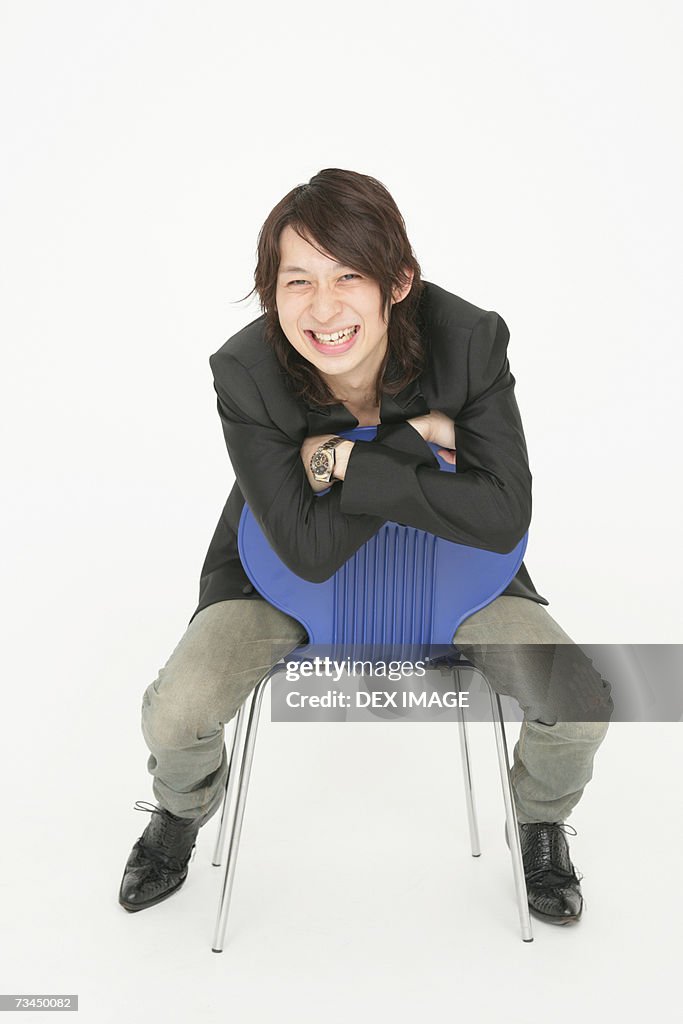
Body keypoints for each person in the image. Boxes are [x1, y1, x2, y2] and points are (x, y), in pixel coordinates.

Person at [119, 168, 613, 926]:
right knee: (177, 710)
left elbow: (502, 513)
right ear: (269, 291)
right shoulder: (245, 372)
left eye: (349, 275)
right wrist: (417, 442)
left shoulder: (469, 339)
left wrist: (343, 460)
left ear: (398, 281)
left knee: (579, 700)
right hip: (271, 570)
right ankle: (179, 813)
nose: (323, 308)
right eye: (296, 281)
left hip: (456, 566)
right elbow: (310, 550)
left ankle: (540, 820)